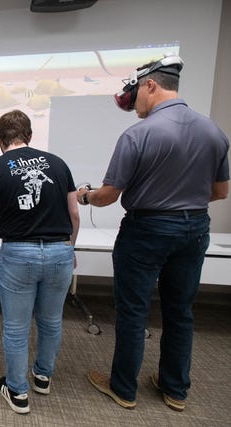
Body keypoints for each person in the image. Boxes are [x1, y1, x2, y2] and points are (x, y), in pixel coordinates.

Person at [77, 55, 229, 411]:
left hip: (146, 229)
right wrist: (182, 199)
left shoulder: (139, 134)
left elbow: (108, 195)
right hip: (194, 229)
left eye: (137, 96)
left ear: (151, 85)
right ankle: (175, 389)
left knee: (133, 310)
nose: (134, 107)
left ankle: (124, 388)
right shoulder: (213, 131)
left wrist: (85, 196)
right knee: (180, 310)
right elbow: (221, 192)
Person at [0, 110, 80, 414]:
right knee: (51, 321)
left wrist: (4, 212)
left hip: (19, 254)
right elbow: (74, 214)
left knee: (17, 328)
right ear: (30, 135)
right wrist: (69, 248)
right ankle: (43, 376)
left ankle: (18, 392)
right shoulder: (58, 164)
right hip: (60, 250)